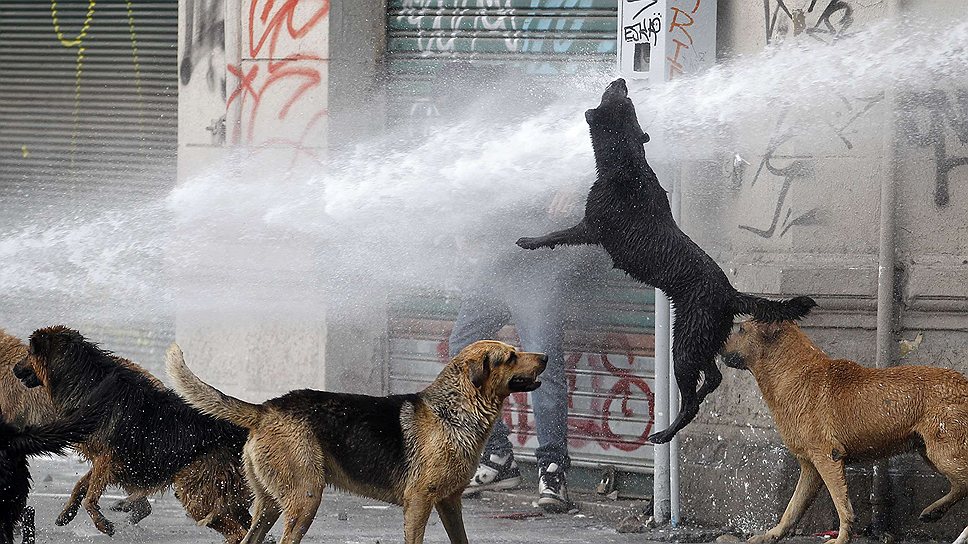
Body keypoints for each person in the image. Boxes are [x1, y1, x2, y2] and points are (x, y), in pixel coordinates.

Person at [448, 190, 607, 513]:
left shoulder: (569, 143)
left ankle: (553, 470)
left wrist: (575, 187)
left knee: (540, 364)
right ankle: (498, 457)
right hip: (497, 262)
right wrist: (464, 226)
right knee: (464, 349)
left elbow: (604, 162)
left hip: (540, 264)